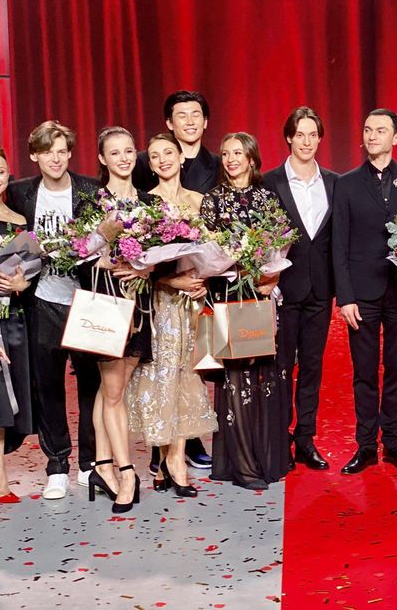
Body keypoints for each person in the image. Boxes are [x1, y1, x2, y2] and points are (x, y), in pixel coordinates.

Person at [6, 121, 101, 500]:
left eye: (62, 150)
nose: (56, 158)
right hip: (42, 301)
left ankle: (89, 462)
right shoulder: (21, 194)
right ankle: (57, 463)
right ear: (34, 155)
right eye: (48, 152)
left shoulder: (90, 191)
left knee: (91, 385)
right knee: (48, 386)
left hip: (84, 299)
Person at [332, 110, 397, 474]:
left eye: (381, 130)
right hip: (363, 295)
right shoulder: (347, 183)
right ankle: (365, 446)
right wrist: (346, 297)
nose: (372, 136)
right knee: (365, 372)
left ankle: (394, 444)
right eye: (368, 129)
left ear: (396, 138)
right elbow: (339, 244)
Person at [125, 133, 217, 497]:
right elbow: (142, 266)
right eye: (156, 155)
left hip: (192, 306)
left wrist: (204, 280)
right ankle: (171, 459)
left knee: (184, 377)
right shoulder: (147, 205)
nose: (163, 159)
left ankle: (169, 459)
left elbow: (213, 253)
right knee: (161, 376)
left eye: (169, 153)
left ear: (181, 159)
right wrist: (173, 280)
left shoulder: (198, 201)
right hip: (160, 304)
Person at [201, 132, 291, 490]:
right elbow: (204, 251)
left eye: (238, 152)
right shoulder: (212, 201)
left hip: (260, 294)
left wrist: (268, 275)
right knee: (234, 381)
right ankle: (241, 466)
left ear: (252, 158)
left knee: (265, 377)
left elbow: (283, 242)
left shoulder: (268, 198)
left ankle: (268, 459)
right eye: (225, 153)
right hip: (226, 296)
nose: (230, 158)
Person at [80, 127, 154, 514]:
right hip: (107, 308)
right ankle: (127, 473)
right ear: (103, 159)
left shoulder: (147, 202)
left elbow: (159, 257)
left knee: (114, 391)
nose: (124, 158)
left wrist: (145, 269)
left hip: (140, 308)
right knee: (112, 392)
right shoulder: (92, 203)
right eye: (115, 152)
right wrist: (101, 246)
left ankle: (101, 465)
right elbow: (74, 254)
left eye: (129, 151)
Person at [263, 108, 337, 471]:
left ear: (320, 138)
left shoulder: (335, 183)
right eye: (300, 134)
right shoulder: (270, 182)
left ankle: (305, 438)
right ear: (289, 138)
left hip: (321, 292)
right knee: (279, 367)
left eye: (313, 134)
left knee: (311, 367)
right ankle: (280, 439)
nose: (307, 142)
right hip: (282, 291)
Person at [0, 143, 33, 506]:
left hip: (9, 316)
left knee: (0, 396)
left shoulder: (17, 220)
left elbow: (26, 272)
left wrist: (20, 283)